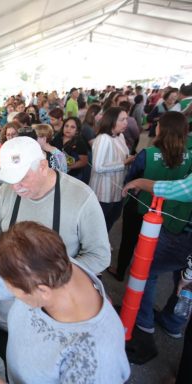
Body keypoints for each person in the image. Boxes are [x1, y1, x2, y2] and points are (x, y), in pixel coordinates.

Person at [0, 221, 130, 384]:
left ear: (42, 292)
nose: (7, 291)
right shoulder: (53, 265)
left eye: (14, 291)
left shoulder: (96, 358)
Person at [0, 136, 110, 330]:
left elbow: (99, 256)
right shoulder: (5, 194)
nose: (16, 186)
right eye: (11, 179)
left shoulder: (82, 197)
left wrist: (52, 279)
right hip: (9, 304)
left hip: (59, 303)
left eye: (22, 177)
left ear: (43, 166)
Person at [122, 175, 192, 383]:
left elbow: (172, 190)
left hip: (181, 237)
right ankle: (173, 322)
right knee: (179, 281)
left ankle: (144, 322)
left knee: (147, 271)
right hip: (183, 237)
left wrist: (138, 183)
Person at [110, 111, 192, 281]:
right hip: (168, 212)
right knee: (152, 249)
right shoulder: (189, 156)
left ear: (161, 129)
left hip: (139, 207)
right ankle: (144, 275)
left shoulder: (147, 154)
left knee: (129, 240)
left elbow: (130, 179)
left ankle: (120, 271)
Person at [89, 107, 135, 232]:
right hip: (103, 190)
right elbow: (98, 167)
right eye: (122, 119)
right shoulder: (104, 138)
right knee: (99, 222)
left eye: (126, 119)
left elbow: (121, 156)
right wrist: (124, 162)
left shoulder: (120, 136)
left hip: (117, 187)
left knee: (112, 217)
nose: (126, 122)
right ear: (112, 121)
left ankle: (103, 241)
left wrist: (131, 159)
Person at [51, 117, 89, 181]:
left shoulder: (80, 142)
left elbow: (83, 162)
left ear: (77, 131)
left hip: (73, 176)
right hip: (57, 173)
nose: (68, 129)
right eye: (66, 126)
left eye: (72, 127)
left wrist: (66, 167)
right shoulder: (57, 138)